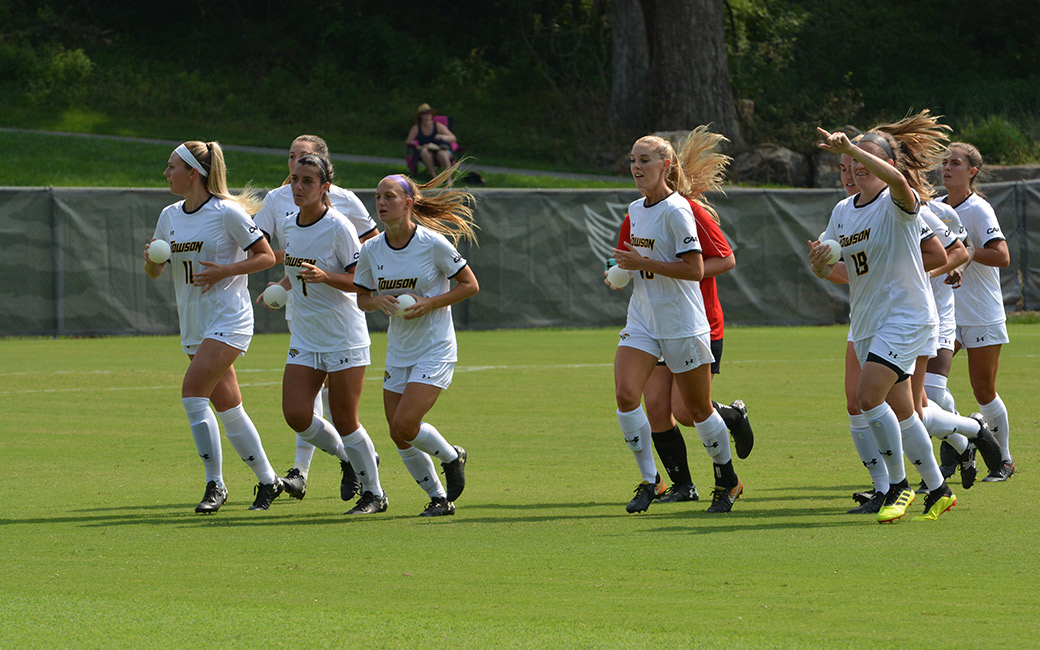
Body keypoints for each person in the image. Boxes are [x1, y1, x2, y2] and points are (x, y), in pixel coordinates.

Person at [810, 111, 957, 522]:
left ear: (886, 166)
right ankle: (939, 489)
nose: (854, 169)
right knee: (904, 410)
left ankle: (898, 486)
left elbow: (900, 183)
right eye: (849, 165)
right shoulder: (842, 210)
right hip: (869, 319)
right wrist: (819, 262)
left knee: (866, 397)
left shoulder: (898, 200)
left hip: (906, 316)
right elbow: (830, 267)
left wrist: (850, 146)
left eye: (862, 162)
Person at [607, 145, 753, 505]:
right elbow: (636, 261)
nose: (636, 167)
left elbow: (695, 269)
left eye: (644, 160)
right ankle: (650, 481)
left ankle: (728, 480)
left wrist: (645, 263)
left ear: (665, 165)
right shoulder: (635, 210)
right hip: (643, 319)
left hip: (682, 321)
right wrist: (620, 272)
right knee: (628, 396)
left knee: (695, 412)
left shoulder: (679, 210)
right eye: (632, 161)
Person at [144, 140, 282, 513]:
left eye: (172, 166)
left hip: (229, 318)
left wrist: (226, 271)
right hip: (193, 321)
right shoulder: (169, 215)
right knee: (229, 408)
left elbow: (266, 255)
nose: (166, 172)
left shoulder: (227, 213)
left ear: (193, 173)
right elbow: (156, 271)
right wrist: (153, 261)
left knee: (192, 394)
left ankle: (214, 484)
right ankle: (269, 481)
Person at [254, 134, 379, 502]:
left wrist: (326, 277)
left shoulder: (339, 226)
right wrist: (280, 286)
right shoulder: (290, 223)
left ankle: (374, 492)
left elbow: (363, 282)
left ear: (326, 187)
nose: (298, 186)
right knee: (296, 414)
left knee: (345, 420)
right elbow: (297, 266)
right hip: (306, 334)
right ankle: (351, 460)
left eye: (308, 181)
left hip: (342, 333)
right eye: (295, 179)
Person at [354, 167, 478, 517]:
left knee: (406, 425)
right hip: (399, 349)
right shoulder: (371, 250)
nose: (380, 202)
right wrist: (376, 301)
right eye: (377, 196)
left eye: (389, 196)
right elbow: (362, 296)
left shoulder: (432, 243)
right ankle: (439, 499)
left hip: (434, 347)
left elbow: (470, 285)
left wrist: (430, 303)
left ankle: (452, 456)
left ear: (408, 203)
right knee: (398, 434)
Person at [939, 142, 1014, 481]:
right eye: (944, 162)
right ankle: (964, 438)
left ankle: (1005, 460)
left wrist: (967, 251)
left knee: (983, 390)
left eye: (955, 163)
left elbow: (1001, 256)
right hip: (945, 314)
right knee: (929, 383)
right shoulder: (936, 208)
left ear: (971, 172)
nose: (947, 167)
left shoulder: (978, 209)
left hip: (981, 312)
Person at [405, 103, 457, 177]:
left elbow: (453, 138)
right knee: (424, 152)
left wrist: (442, 137)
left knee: (442, 154)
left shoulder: (438, 126)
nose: (428, 115)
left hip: (440, 149)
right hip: (427, 151)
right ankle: (434, 177)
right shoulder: (416, 128)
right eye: (425, 113)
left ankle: (448, 179)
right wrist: (419, 147)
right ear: (420, 116)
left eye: (430, 113)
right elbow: (409, 142)